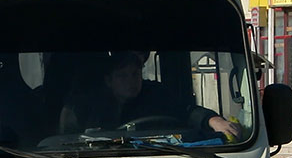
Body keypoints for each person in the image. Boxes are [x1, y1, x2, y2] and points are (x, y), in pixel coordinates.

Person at [60, 51, 241, 139]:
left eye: (135, 74)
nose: (131, 81)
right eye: (122, 76)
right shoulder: (87, 106)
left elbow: (186, 110)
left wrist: (211, 120)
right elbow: (67, 140)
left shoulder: (156, 95)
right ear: (108, 80)